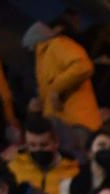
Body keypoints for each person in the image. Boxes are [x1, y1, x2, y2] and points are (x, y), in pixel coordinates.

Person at [25, 19, 101, 150]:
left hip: (77, 124)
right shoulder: (44, 56)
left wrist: (56, 89)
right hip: (64, 125)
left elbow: (83, 66)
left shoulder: (58, 45)